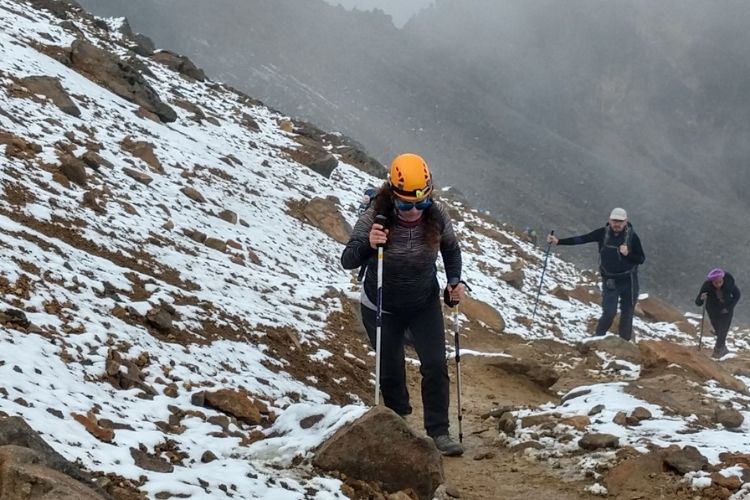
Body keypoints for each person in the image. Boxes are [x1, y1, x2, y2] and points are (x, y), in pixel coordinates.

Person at [341, 153, 466, 456]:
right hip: (381, 303)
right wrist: (369, 244)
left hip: (423, 302)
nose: (414, 211)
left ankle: (439, 432)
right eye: (406, 204)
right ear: (393, 195)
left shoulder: (436, 215)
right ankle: (400, 422)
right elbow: (348, 259)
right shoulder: (375, 216)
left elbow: (451, 249)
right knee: (390, 369)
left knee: (436, 364)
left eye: (421, 203)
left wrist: (454, 281)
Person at [547, 207, 645, 341]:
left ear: (626, 222)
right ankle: (597, 339)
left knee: (627, 313)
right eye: (614, 221)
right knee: (609, 312)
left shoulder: (632, 238)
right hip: (610, 280)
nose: (617, 224)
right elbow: (582, 239)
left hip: (629, 281)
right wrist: (559, 242)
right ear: (609, 220)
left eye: (620, 222)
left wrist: (628, 254)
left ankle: (624, 343)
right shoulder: (602, 233)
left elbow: (641, 259)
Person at [695, 268, 741, 358]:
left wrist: (729, 307)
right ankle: (724, 349)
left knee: (723, 331)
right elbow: (698, 303)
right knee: (719, 332)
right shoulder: (706, 287)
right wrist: (702, 298)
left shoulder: (729, 283)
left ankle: (717, 351)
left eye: (720, 282)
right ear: (711, 282)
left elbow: (737, 295)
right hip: (714, 312)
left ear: (723, 279)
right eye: (716, 283)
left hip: (727, 311)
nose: (718, 284)